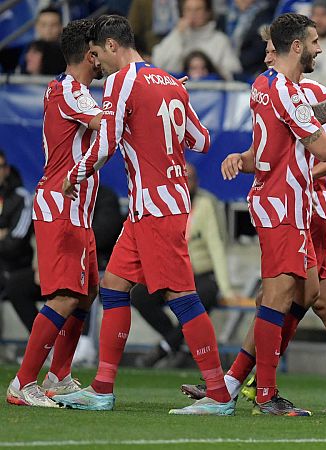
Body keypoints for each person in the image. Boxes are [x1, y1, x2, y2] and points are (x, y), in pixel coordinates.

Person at [53, 14, 234, 416]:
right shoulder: (169, 81)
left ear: (113, 46)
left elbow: (105, 145)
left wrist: (75, 173)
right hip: (149, 207)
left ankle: (219, 394)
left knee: (180, 296)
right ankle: (102, 388)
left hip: (157, 207)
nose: (97, 65)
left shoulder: (122, 81)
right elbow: (200, 140)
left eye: (98, 54)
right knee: (114, 287)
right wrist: (169, 106)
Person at [218, 12, 326, 416]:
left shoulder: (269, 86)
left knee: (307, 295)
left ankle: (233, 384)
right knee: (282, 296)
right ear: (297, 46)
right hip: (287, 205)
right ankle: (253, 390)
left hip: (294, 206)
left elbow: (287, 136)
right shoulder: (283, 88)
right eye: (314, 42)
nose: (319, 48)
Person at [6, 19, 103, 408]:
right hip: (62, 205)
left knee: (85, 294)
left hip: (78, 208)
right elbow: (106, 123)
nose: (103, 60)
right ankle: (22, 383)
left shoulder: (70, 90)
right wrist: (149, 97)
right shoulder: (69, 91)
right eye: (99, 51)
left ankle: (58, 376)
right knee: (64, 296)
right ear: (90, 54)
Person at [131, 163, 239, 368]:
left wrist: (226, 288)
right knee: (139, 295)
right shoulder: (164, 203)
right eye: (182, 178)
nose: (186, 183)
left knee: (205, 293)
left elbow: (216, 246)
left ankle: (164, 348)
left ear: (196, 182)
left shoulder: (205, 204)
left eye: (189, 178)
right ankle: (176, 344)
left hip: (200, 273)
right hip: (171, 271)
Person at [152, 0, 243, 80]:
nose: (193, 14)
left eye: (198, 9)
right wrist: (177, 35)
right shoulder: (175, 36)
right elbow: (157, 64)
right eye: (188, 10)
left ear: (208, 13)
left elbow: (233, 73)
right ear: (182, 12)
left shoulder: (220, 41)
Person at [0, 152, 37, 336]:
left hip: (16, 266)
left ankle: (46, 346)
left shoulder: (21, 197)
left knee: (16, 286)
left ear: (6, 169)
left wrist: (6, 235)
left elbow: (16, 241)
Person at [226, 0, 276, 76]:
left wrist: (240, 62)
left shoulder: (266, 14)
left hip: (251, 70)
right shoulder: (227, 15)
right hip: (227, 65)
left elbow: (261, 49)